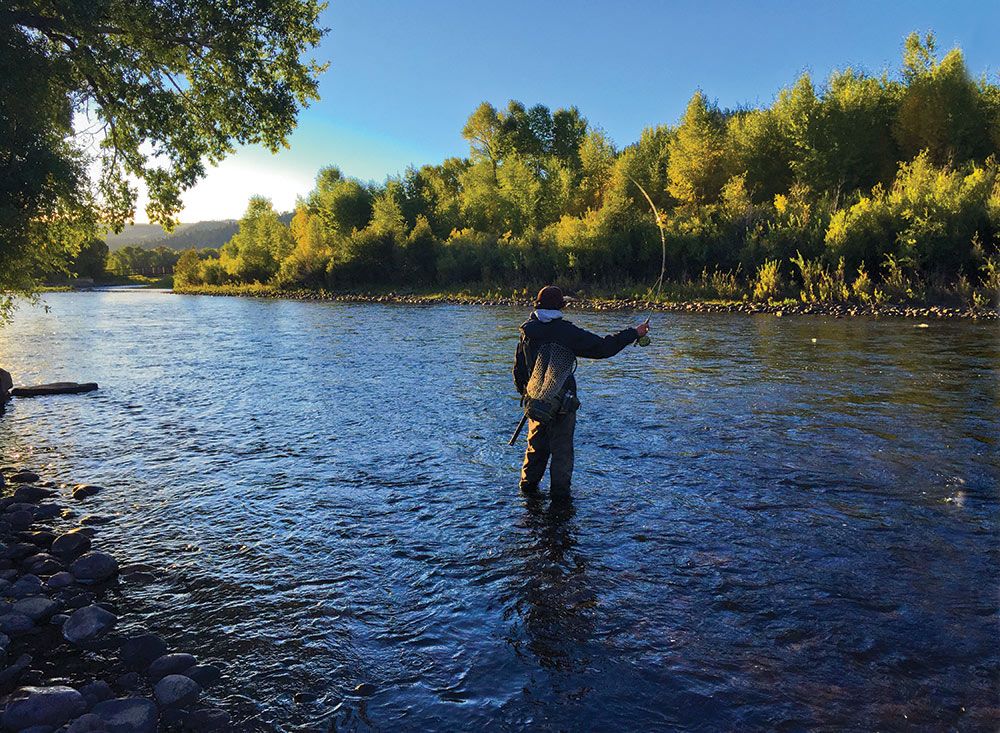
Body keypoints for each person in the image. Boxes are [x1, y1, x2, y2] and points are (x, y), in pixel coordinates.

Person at [512, 285, 650, 496]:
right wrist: (633, 333)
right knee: (562, 454)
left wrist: (528, 395)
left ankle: (527, 498)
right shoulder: (567, 332)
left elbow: (519, 370)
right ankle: (560, 502)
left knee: (535, 452)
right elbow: (604, 348)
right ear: (560, 307)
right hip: (562, 407)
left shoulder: (527, 331)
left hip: (536, 403)